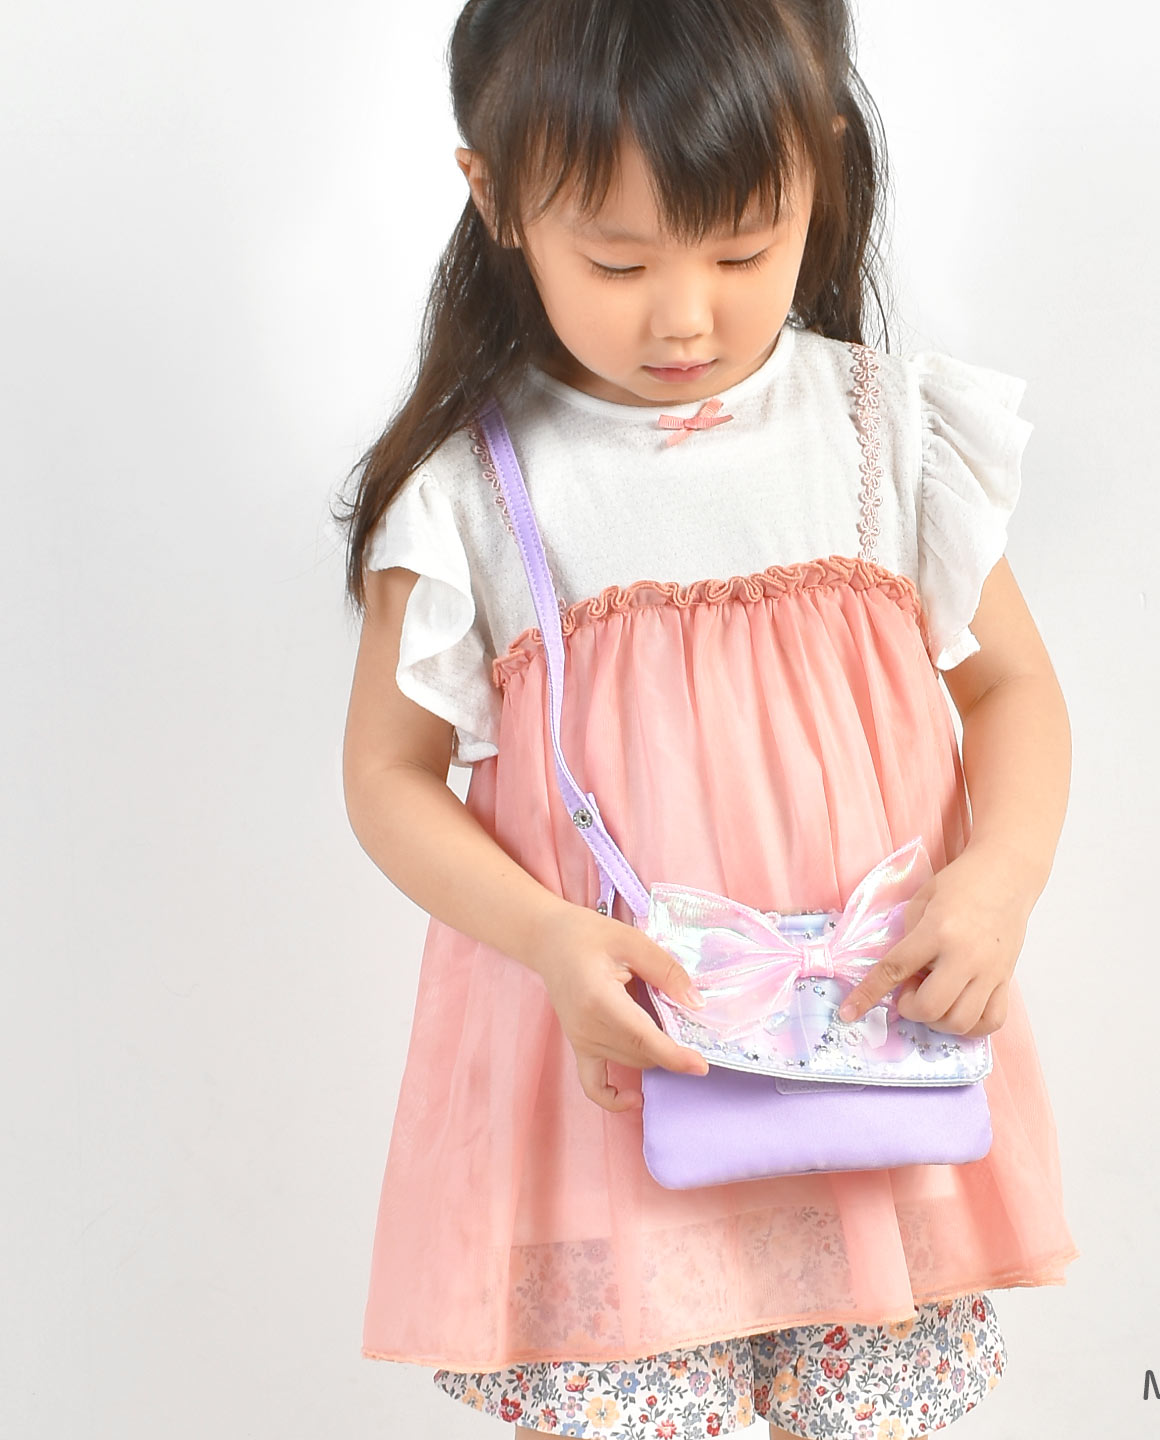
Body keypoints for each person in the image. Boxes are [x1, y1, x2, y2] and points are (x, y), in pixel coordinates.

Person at [337, 1, 1079, 1436]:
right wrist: (546, 937)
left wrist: (1001, 878)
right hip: (613, 1085)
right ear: (493, 194)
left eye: (741, 250)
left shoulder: (884, 431)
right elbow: (387, 776)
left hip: (867, 1059)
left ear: (822, 167)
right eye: (616, 260)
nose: (684, 315)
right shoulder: (474, 489)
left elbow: (1009, 686)